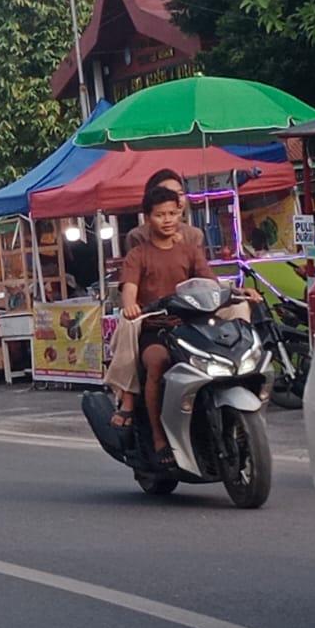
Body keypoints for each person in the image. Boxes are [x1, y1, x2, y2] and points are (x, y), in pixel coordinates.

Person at [117, 185, 218, 469]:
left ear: (180, 213)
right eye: (160, 214)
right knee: (158, 361)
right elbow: (129, 289)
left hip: (191, 328)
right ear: (148, 217)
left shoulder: (190, 252)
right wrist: (130, 305)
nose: (167, 219)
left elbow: (210, 284)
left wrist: (236, 293)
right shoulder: (138, 255)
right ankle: (159, 437)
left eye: (172, 213)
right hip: (155, 329)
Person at [125, 168, 207, 251]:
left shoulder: (194, 235)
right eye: (169, 194)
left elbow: (199, 263)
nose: (177, 200)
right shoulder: (138, 236)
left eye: (180, 194)